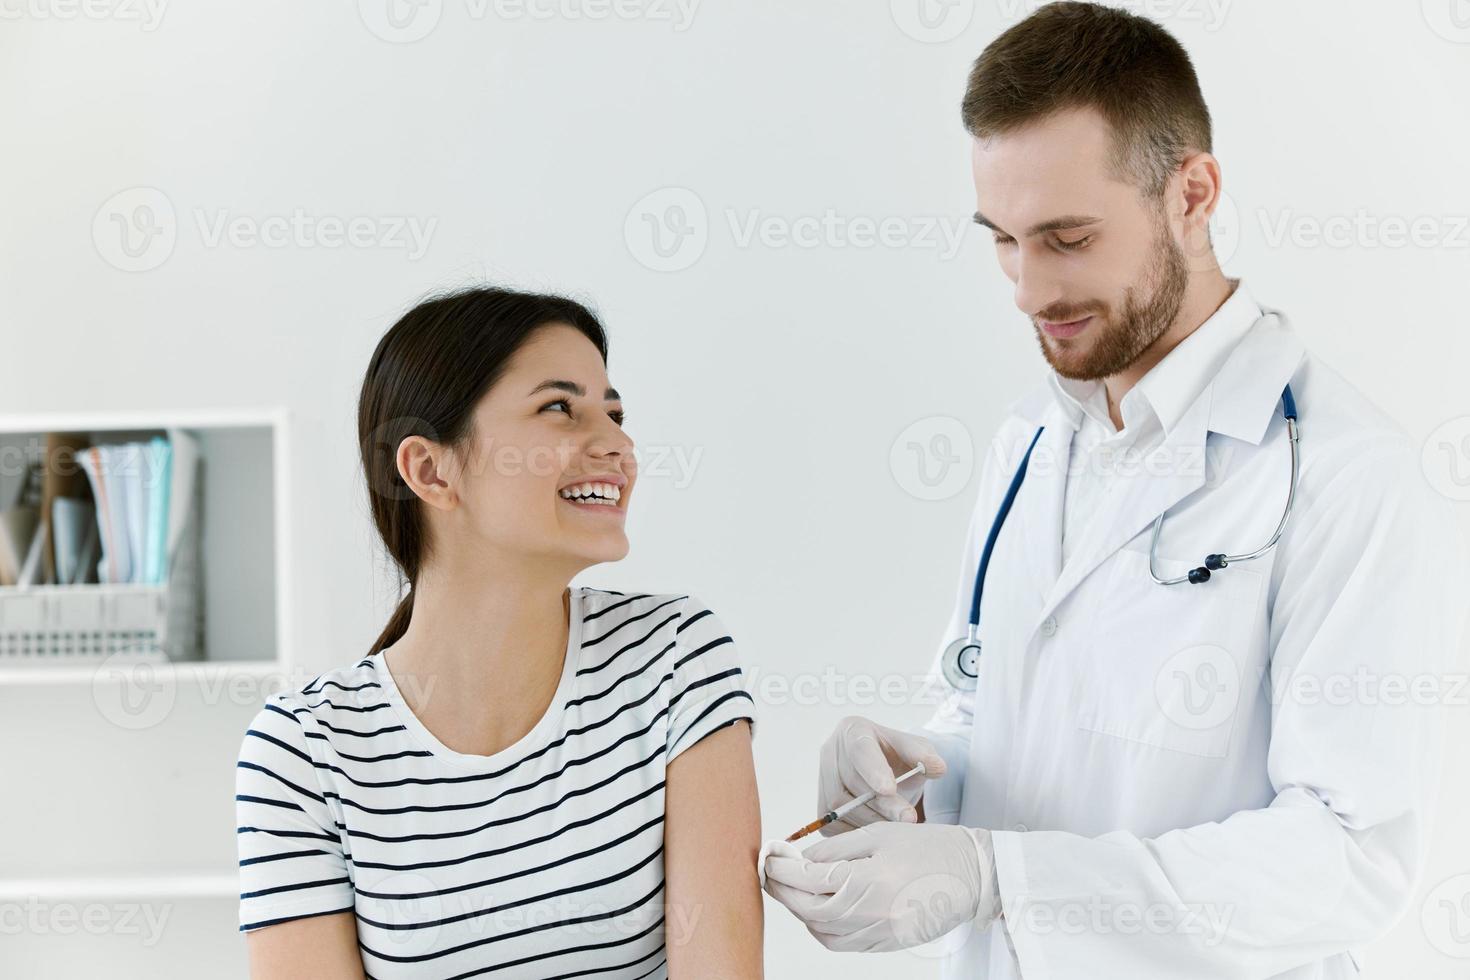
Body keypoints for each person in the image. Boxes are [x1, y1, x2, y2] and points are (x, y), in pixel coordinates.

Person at [761, 4, 1469, 978]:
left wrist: (994, 874)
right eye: (1002, 239)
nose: (1027, 289)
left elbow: (1347, 858)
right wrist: (924, 771)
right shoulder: (1029, 442)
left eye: (1066, 237)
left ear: (1193, 193)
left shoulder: (1347, 476)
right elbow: (991, 706)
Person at [235, 286, 763, 979]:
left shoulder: (672, 657)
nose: (619, 445)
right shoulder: (302, 752)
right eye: (559, 408)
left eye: (615, 413)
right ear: (429, 470)